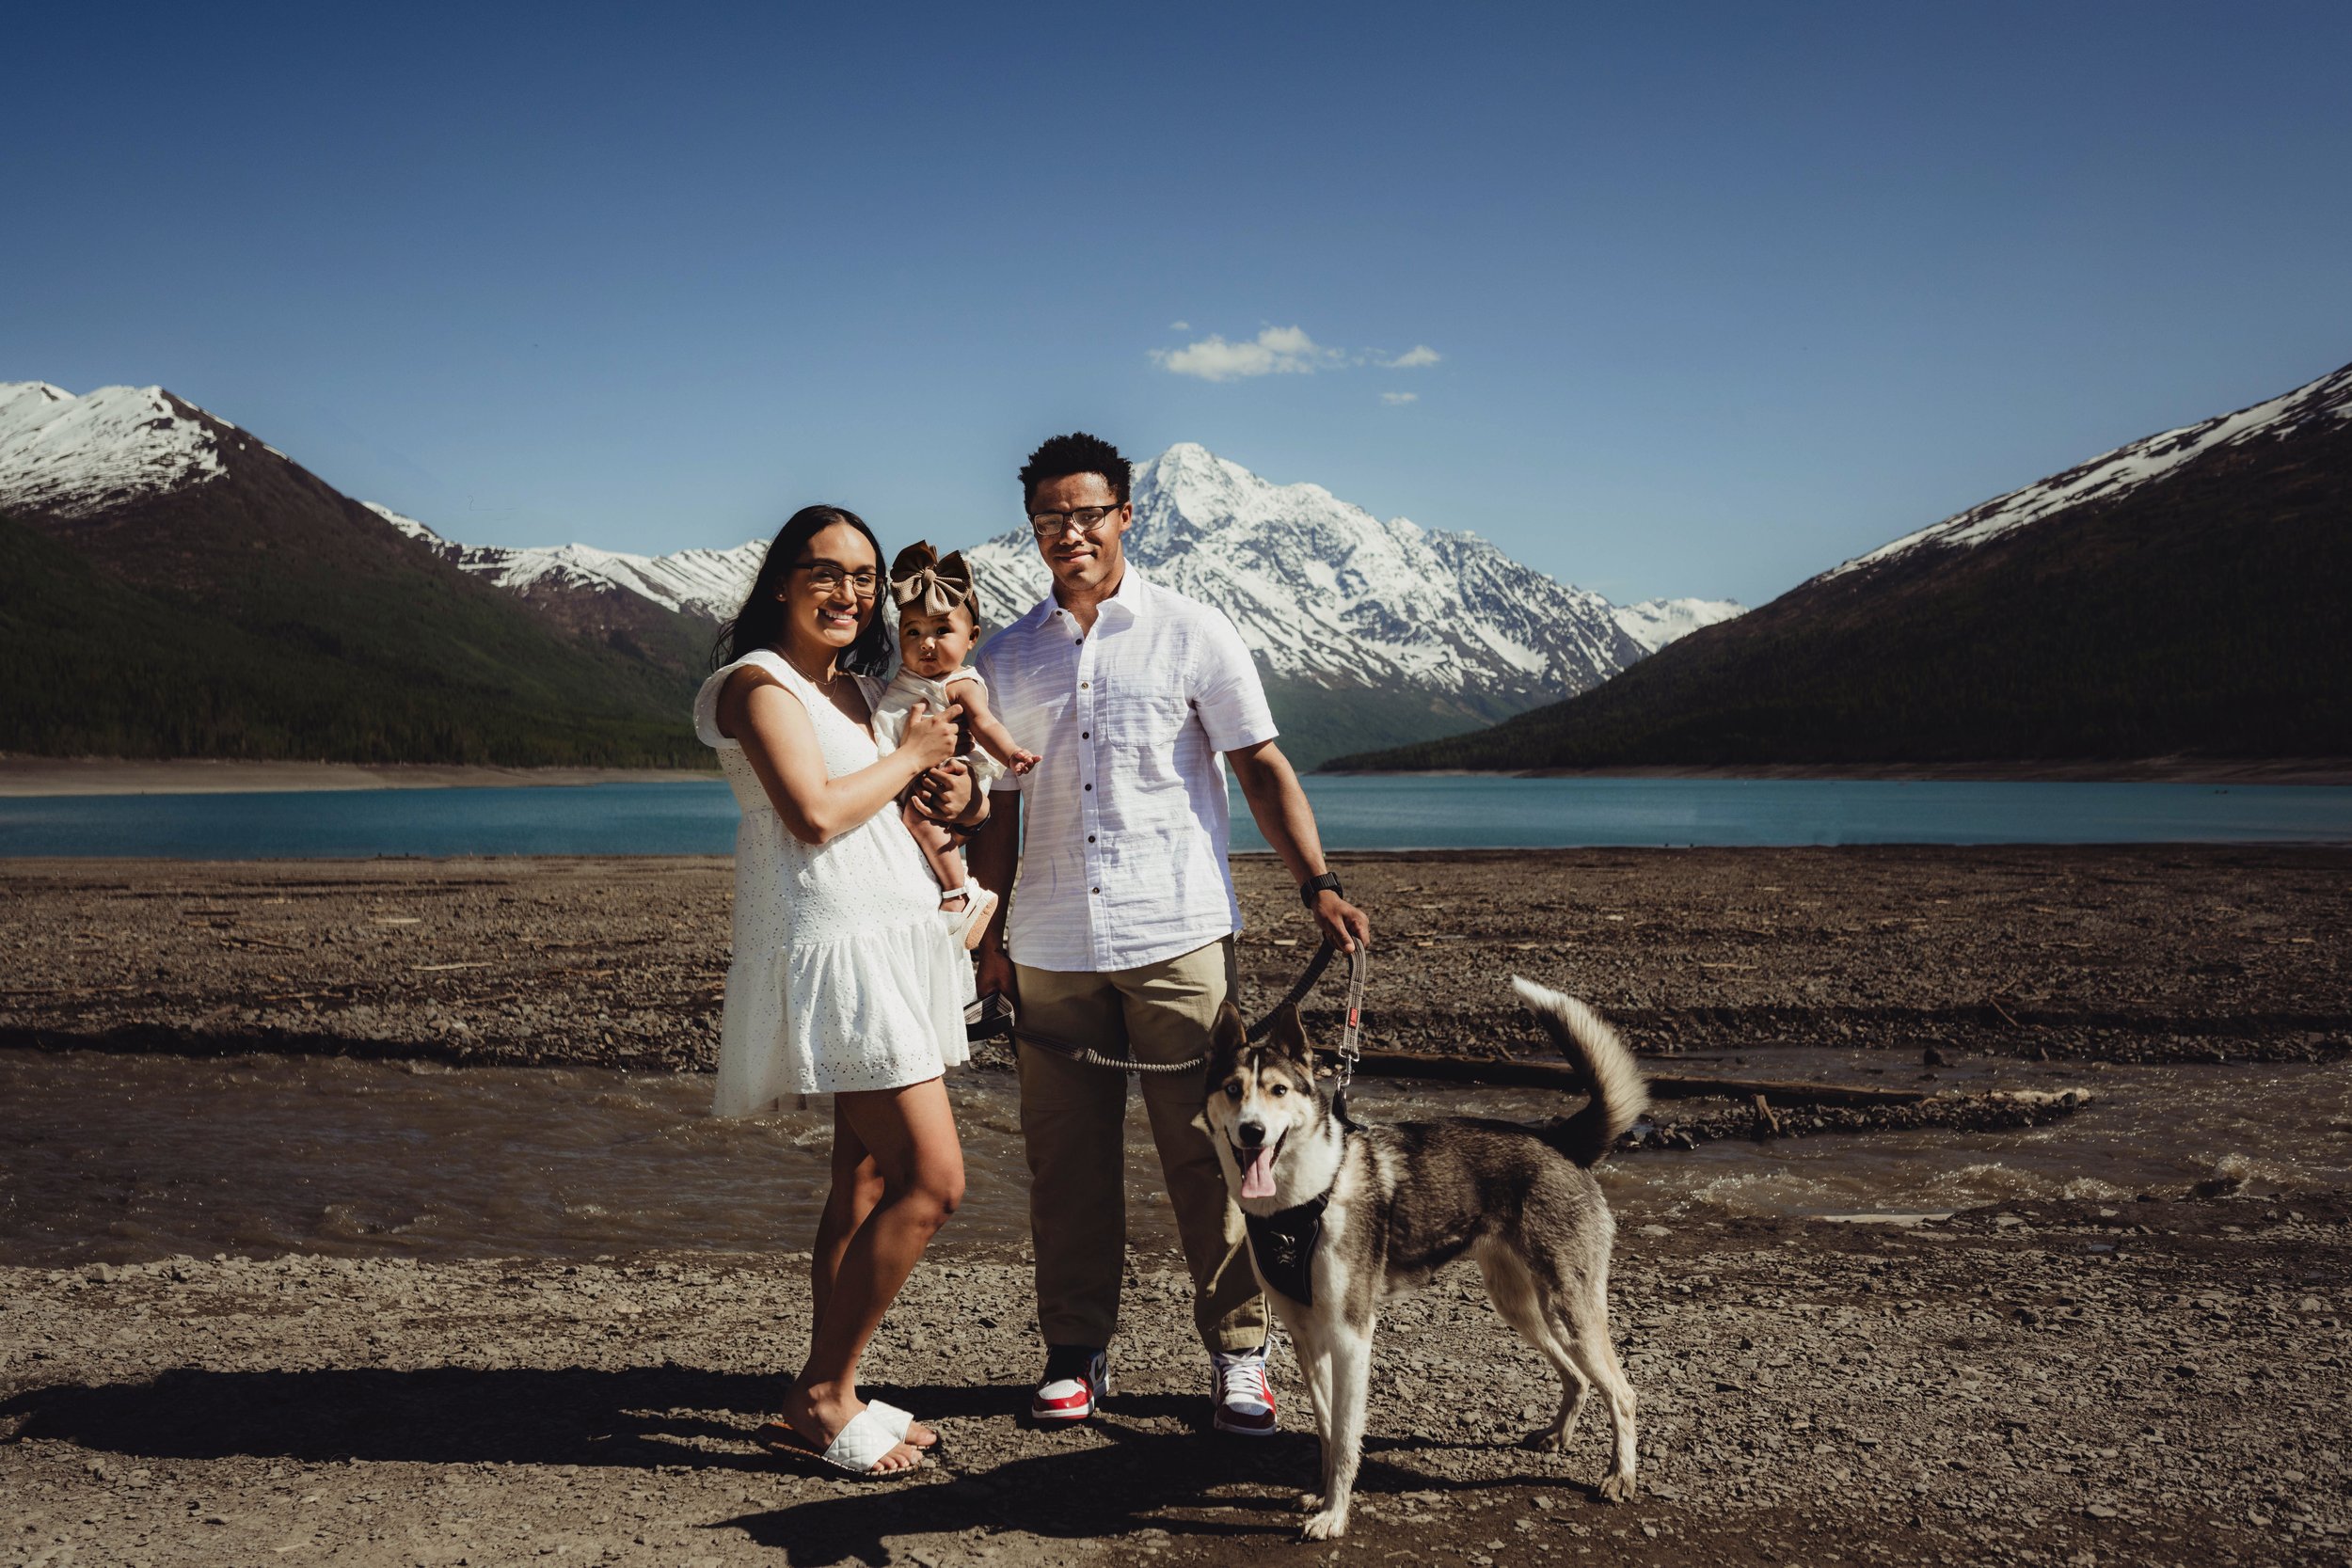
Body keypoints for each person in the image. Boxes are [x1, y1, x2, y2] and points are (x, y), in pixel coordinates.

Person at [969, 432, 1374, 1436]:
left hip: (1178, 935)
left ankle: (1240, 1352)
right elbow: (999, 815)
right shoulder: (1004, 654)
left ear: (1125, 515)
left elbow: (1260, 765)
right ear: (1034, 529)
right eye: (1050, 518)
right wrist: (987, 936)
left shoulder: (1195, 630)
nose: (1070, 533)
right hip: (1050, 941)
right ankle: (1075, 1352)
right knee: (1065, 1163)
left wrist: (1315, 881)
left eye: (1088, 512)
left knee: (1220, 1158)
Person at [691, 503, 984, 1478]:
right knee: (935, 1180)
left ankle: (836, 1389)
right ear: (782, 579)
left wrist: (948, 792)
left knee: (861, 1180)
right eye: (828, 573)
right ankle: (819, 1393)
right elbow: (813, 815)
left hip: (894, 943)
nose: (851, 593)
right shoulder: (755, 685)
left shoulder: (859, 693)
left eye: (865, 578)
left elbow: (888, 803)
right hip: (838, 952)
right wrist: (906, 759)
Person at [871, 540, 1041, 949]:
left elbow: (984, 723)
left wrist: (1012, 753)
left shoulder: (958, 683)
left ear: (971, 638)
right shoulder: (910, 678)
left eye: (942, 630)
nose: (926, 643)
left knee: (919, 821)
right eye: (913, 632)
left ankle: (959, 891)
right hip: (909, 770)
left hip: (944, 771)